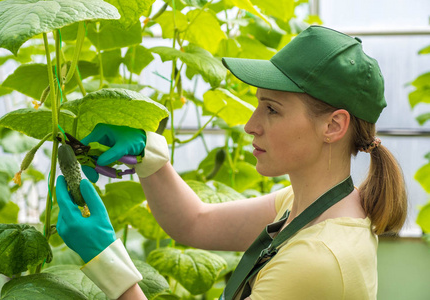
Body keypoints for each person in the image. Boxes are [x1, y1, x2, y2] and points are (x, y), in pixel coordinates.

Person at [56, 25, 408, 300]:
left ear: (333, 126)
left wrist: (106, 259)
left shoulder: (318, 259)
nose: (250, 125)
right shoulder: (309, 206)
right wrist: (150, 156)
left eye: (272, 109)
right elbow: (195, 223)